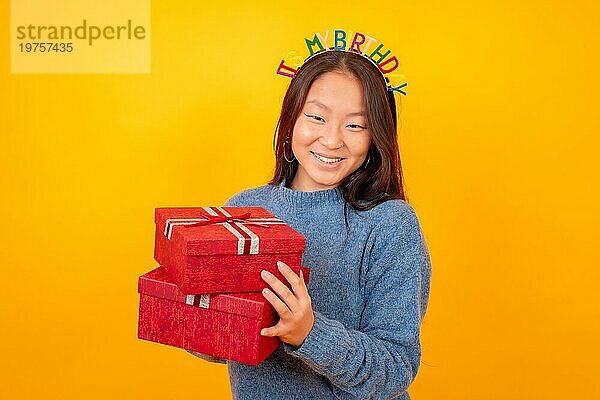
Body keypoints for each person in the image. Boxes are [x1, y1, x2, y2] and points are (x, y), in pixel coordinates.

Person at [190, 49, 432, 400]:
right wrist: (193, 314)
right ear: (290, 120)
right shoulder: (243, 211)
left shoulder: (391, 225)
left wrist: (309, 333)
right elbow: (219, 347)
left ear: (375, 135)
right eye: (317, 117)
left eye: (355, 125)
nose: (333, 139)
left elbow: (396, 368)